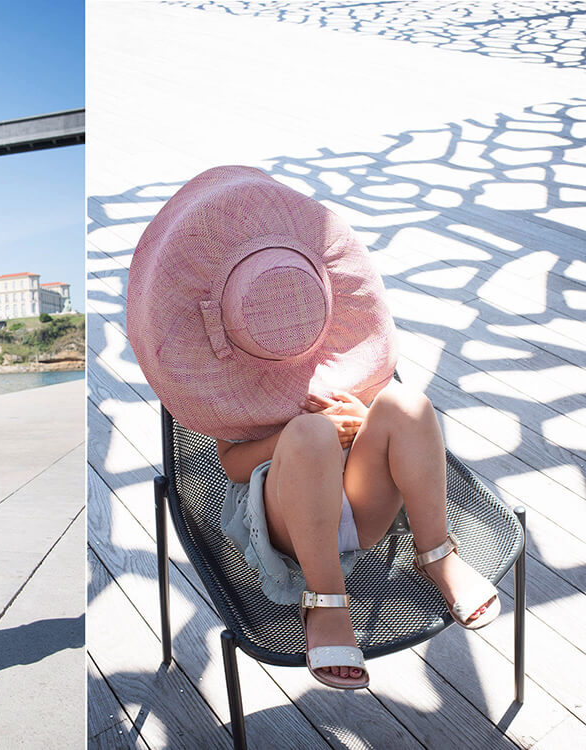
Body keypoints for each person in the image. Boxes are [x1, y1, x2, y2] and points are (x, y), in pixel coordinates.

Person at [126, 165, 501, 691]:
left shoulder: (338, 356)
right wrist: (311, 428)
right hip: (287, 526)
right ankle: (325, 601)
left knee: (405, 404)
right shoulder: (225, 393)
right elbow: (232, 465)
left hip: (365, 505)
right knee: (309, 435)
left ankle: (435, 552)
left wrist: (359, 421)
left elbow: (384, 435)